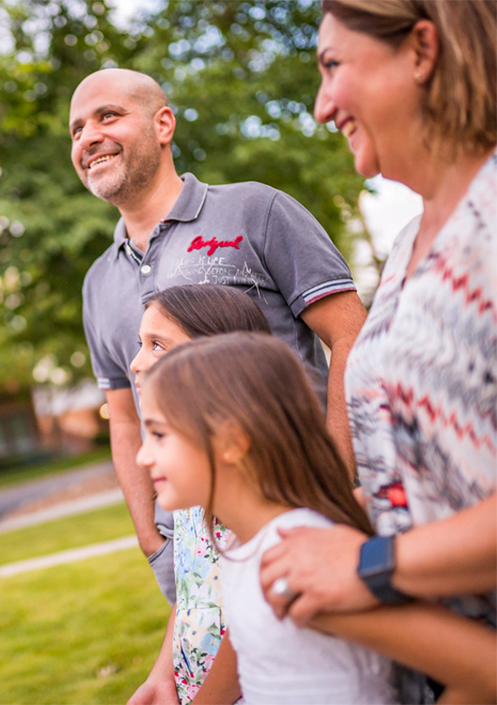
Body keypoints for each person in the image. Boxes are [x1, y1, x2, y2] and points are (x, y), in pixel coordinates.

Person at [258, 1, 495, 693]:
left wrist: (368, 565)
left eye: (332, 66)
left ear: (422, 50)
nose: (321, 107)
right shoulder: (403, 248)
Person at [69, 68, 368, 603]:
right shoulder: (96, 283)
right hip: (185, 547)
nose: (88, 137)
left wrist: (334, 482)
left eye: (108, 116)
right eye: (76, 130)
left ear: (164, 125)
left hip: (295, 505)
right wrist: (151, 540)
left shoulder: (256, 209)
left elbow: (351, 337)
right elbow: (124, 419)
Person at [137, 333, 496, 704]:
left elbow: (485, 672)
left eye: (159, 434)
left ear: (232, 441)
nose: (142, 457)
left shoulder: (297, 562)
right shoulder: (241, 546)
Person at [127, 285, 270, 705]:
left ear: (217, 358)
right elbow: (195, 588)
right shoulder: (192, 486)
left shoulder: (249, 492)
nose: (136, 363)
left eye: (157, 345)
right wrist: (161, 677)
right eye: (141, 344)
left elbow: (250, 632)